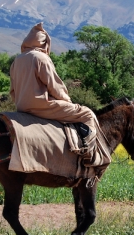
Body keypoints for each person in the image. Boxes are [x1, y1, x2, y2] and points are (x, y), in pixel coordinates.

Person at [9, 22, 107, 167]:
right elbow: (55, 86)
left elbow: (12, 91)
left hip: (22, 107)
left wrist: (22, 102)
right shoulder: (41, 58)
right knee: (87, 114)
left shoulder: (17, 60)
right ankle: (89, 154)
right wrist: (68, 102)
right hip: (42, 106)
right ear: (44, 43)